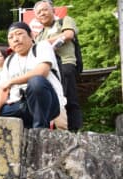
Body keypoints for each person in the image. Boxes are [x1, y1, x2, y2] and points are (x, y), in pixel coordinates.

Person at [0, 22, 66, 129]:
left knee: (36, 81)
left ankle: (40, 129)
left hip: (46, 102)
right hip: (19, 105)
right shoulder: (9, 61)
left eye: (19, 34)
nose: (15, 39)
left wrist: (12, 81)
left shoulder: (42, 47)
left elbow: (42, 71)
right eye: (11, 37)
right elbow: (3, 89)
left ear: (31, 36)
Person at [34, 0, 83, 131]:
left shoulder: (65, 20)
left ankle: (74, 130)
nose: (42, 13)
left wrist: (43, 45)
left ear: (53, 10)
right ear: (36, 18)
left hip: (66, 62)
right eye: (38, 12)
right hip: (50, 70)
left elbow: (68, 34)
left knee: (69, 98)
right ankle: (57, 129)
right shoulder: (39, 36)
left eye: (45, 9)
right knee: (53, 99)